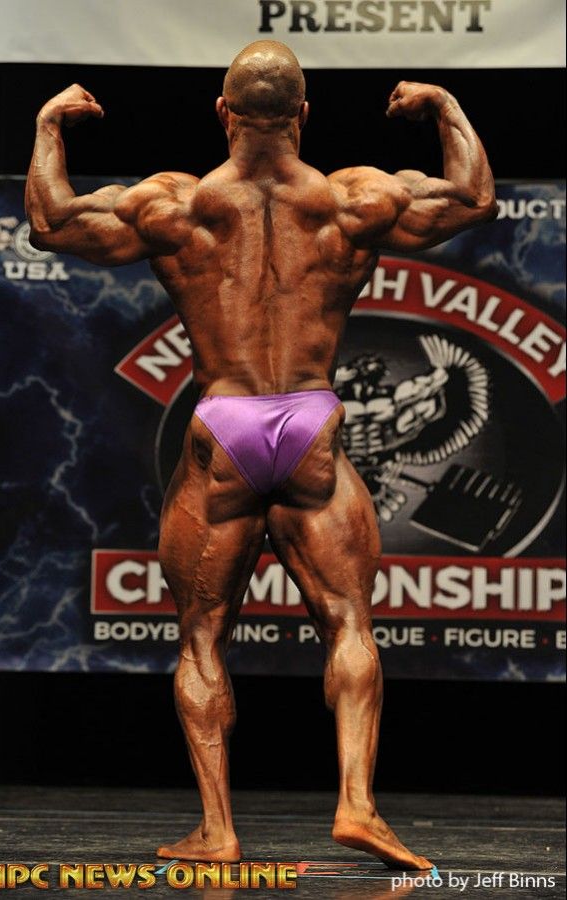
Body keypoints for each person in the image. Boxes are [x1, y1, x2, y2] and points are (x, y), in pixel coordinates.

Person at [26, 40, 497, 870]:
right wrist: (446, 108)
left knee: (202, 635)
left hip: (226, 424)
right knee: (349, 621)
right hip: (310, 421)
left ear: (223, 112)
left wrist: (47, 126)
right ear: (304, 114)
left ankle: (218, 830)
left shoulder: (176, 205)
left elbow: (51, 222)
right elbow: (473, 199)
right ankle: (357, 804)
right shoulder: (354, 200)